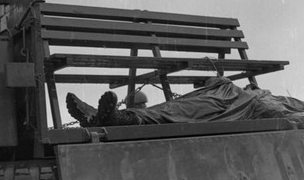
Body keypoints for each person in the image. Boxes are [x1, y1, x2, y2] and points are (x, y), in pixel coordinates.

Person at [67, 77, 304, 127]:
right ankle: (108, 116)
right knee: (177, 107)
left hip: (242, 107)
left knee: (180, 111)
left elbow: (289, 119)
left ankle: (121, 118)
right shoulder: (295, 102)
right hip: (229, 92)